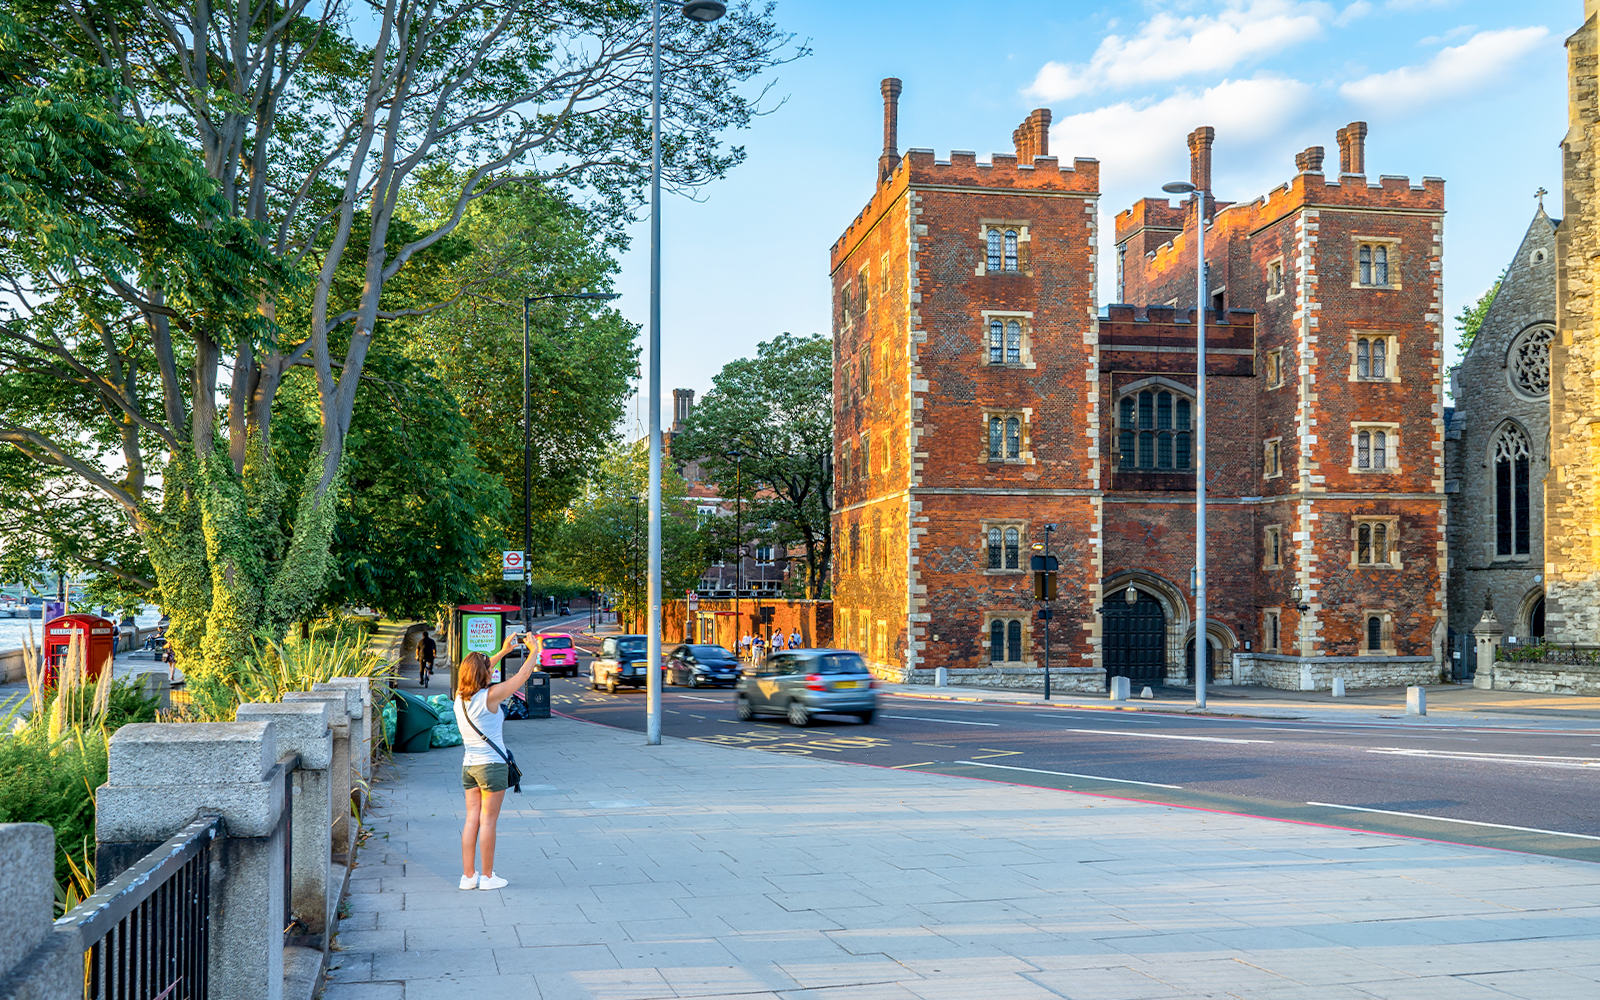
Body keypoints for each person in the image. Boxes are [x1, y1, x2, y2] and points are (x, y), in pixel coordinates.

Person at [454, 631, 536, 891]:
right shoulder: (490, 696)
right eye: (488, 669)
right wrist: (534, 650)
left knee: (471, 820)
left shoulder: (459, 697)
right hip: (491, 767)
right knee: (488, 821)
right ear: (484, 674)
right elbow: (523, 675)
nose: (491, 672)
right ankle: (488, 878)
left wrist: (503, 652)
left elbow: (481, 668)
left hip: (469, 766)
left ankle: (468, 876)